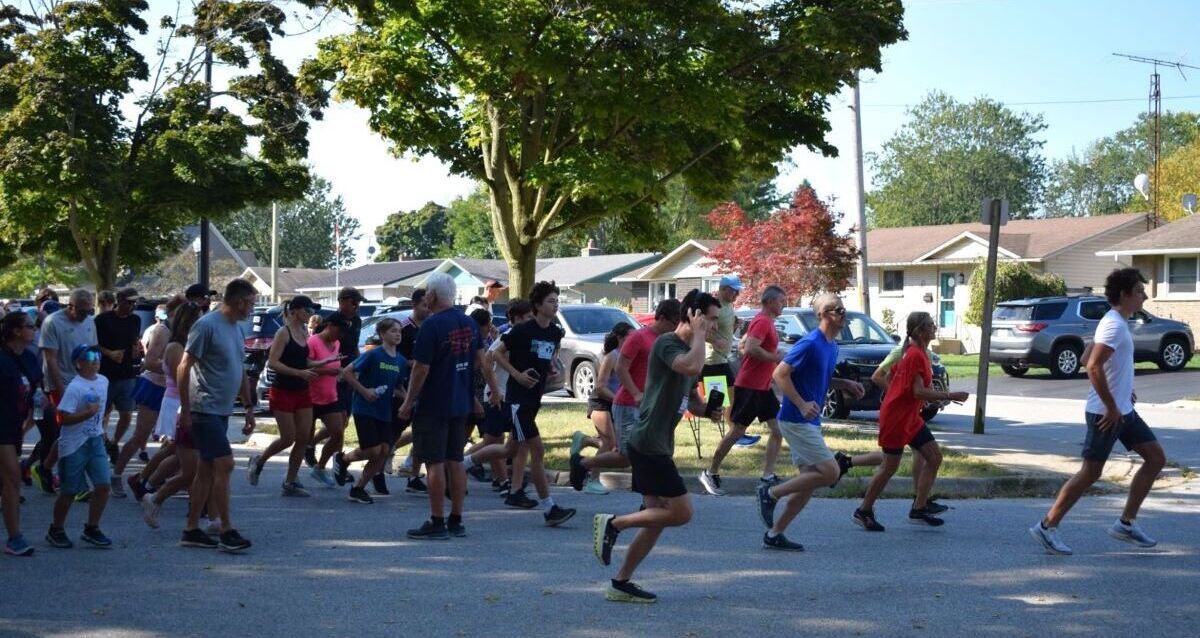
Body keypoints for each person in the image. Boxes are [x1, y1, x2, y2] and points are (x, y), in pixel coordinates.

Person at [592, 289, 722, 604]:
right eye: (711, 319)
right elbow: (688, 367)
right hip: (649, 441)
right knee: (681, 512)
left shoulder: (690, 349)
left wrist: (709, 410)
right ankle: (614, 523)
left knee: (657, 518)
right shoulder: (666, 344)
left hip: (657, 442)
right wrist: (700, 337)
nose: (715, 326)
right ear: (693, 315)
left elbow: (691, 399)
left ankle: (620, 582)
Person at [1030, 268, 1166, 555]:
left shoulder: (1115, 322)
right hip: (1107, 413)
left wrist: (1122, 388)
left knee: (1155, 458)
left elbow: (1084, 357)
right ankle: (1046, 526)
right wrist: (1112, 405)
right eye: (1140, 291)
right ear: (1125, 295)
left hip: (1122, 410)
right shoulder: (1114, 325)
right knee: (1091, 472)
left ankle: (1126, 523)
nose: (1144, 296)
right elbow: (1092, 366)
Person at [756, 293, 865, 551]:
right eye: (837, 310)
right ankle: (770, 493)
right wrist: (802, 403)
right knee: (830, 472)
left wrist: (844, 383)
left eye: (843, 309)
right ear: (822, 315)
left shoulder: (831, 346)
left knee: (809, 481)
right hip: (796, 419)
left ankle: (774, 534)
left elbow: (818, 378)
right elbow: (779, 374)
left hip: (810, 420)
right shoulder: (811, 342)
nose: (843, 314)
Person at [398, 273, 500, 540]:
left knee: (434, 462)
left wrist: (408, 401)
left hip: (434, 403)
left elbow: (420, 369)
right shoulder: (468, 322)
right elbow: (481, 359)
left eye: (427, 292)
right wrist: (485, 388)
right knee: (455, 460)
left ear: (432, 295)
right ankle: (456, 519)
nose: (426, 296)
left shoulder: (431, 326)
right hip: (460, 402)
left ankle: (437, 521)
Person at [854, 312, 968, 531]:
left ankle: (919, 508)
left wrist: (913, 396)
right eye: (931, 325)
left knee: (934, 457)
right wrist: (949, 395)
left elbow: (896, 379)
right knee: (889, 467)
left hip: (910, 417)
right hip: (897, 418)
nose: (935, 328)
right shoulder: (914, 354)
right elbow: (916, 390)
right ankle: (864, 510)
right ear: (920, 331)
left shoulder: (916, 352)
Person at [177, 279, 257, 553]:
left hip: (222, 409)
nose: (253, 308)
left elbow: (239, 369)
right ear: (239, 302)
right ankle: (226, 530)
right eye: (251, 303)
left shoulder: (236, 328)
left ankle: (191, 530)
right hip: (203, 407)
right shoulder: (207, 325)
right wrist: (186, 409)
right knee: (225, 464)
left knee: (207, 470)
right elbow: (184, 366)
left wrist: (248, 406)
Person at [570, 301, 681, 490]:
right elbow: (621, 367)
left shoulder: (665, 340)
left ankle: (647, 496)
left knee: (647, 452)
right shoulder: (639, 337)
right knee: (625, 457)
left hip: (648, 406)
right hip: (628, 404)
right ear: (662, 318)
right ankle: (582, 463)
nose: (676, 326)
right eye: (674, 322)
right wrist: (635, 393)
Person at [490, 281, 576, 525]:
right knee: (536, 450)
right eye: (550, 301)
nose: (555, 305)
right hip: (517, 399)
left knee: (510, 450)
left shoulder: (555, 332)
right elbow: (495, 354)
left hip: (534, 398)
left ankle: (461, 464)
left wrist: (550, 366)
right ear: (537, 305)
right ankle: (550, 508)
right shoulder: (523, 330)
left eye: (557, 301)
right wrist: (517, 375)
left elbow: (551, 352)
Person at [701, 285, 787, 495]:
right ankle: (710, 472)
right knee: (737, 431)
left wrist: (770, 361)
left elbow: (742, 346)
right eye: (781, 301)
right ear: (769, 302)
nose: (783, 305)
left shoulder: (764, 321)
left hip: (763, 387)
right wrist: (775, 357)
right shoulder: (763, 321)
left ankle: (767, 476)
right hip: (750, 386)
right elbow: (749, 348)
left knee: (778, 430)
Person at [248, 296, 336, 497]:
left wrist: (322, 362)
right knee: (288, 437)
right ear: (295, 310)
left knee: (303, 438)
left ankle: (290, 481)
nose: (310, 314)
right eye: (307, 310)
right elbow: (273, 362)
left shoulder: (304, 331)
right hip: (283, 390)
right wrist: (298, 373)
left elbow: (303, 360)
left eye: (312, 311)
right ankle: (259, 461)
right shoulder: (283, 332)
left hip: (302, 390)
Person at [140, 303, 208, 530]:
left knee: (181, 457)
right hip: (178, 403)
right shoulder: (177, 347)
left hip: (188, 403)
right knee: (185, 462)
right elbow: (185, 378)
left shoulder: (189, 344)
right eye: (197, 319)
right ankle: (151, 490)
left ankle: (149, 486)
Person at [461, 301, 533, 493]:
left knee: (502, 442)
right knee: (495, 442)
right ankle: (460, 465)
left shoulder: (523, 336)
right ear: (517, 318)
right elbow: (487, 360)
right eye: (528, 317)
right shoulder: (508, 336)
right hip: (497, 395)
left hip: (509, 396)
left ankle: (502, 481)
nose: (531, 320)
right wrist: (494, 390)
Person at [31, 289, 97, 495]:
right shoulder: (53, 322)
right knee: (69, 432)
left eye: (90, 311)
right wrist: (61, 390)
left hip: (83, 381)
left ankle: (44, 468)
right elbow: (50, 359)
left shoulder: (89, 321)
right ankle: (75, 483)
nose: (86, 315)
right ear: (71, 306)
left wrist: (94, 380)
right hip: (60, 384)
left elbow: (92, 351)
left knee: (75, 432)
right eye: (83, 311)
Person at [45, 345, 113, 549]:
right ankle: (56, 529)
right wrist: (87, 414)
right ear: (78, 363)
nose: (95, 359)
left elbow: (103, 409)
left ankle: (92, 528)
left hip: (95, 440)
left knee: (103, 485)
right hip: (74, 445)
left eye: (97, 355)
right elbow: (62, 418)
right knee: (69, 491)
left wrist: (102, 428)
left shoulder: (103, 381)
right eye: (89, 356)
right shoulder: (75, 387)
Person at [335, 318, 407, 504]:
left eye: (399, 331)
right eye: (393, 331)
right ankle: (343, 459)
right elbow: (347, 372)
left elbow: (398, 387)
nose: (397, 334)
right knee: (373, 450)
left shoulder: (400, 361)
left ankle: (358, 488)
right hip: (364, 408)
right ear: (382, 334)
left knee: (383, 451)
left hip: (384, 411)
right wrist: (364, 391)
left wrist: (408, 401)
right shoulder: (374, 355)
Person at [114, 298, 177, 500]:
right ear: (173, 313)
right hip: (154, 387)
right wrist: (177, 369)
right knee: (140, 437)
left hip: (173, 390)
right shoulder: (162, 331)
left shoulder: (183, 332)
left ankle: (149, 478)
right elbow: (149, 362)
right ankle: (116, 475)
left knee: (174, 441)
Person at [568, 322, 634, 495]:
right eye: (630, 336)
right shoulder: (612, 356)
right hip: (601, 402)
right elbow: (600, 387)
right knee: (609, 443)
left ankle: (584, 440)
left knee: (614, 444)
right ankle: (593, 480)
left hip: (616, 404)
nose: (634, 340)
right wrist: (618, 399)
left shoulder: (629, 357)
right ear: (620, 338)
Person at [306, 287, 363, 470]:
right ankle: (335, 462)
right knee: (336, 421)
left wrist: (358, 365)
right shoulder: (330, 322)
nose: (357, 306)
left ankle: (314, 445)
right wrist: (328, 369)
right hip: (329, 378)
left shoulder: (357, 321)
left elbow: (354, 347)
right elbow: (315, 349)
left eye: (358, 303)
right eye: (354, 302)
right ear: (342, 301)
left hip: (347, 374)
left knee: (343, 423)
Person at [95, 287, 143, 492]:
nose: (132, 306)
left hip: (127, 374)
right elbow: (93, 344)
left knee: (126, 415)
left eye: (135, 303)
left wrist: (136, 349)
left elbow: (134, 340)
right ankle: (101, 444)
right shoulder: (103, 319)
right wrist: (109, 353)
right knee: (103, 414)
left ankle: (113, 442)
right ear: (120, 301)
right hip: (105, 373)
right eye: (129, 302)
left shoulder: (135, 320)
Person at [1, 311, 40, 555]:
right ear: (16, 331)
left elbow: (35, 387)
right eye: (30, 326)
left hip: (15, 425)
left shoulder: (29, 357)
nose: (34, 330)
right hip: (1, 426)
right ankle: (14, 538)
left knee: (7, 480)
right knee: (12, 479)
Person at [307, 315, 348, 488]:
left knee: (337, 433)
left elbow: (334, 365)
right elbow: (306, 365)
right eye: (339, 331)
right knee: (303, 439)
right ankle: (291, 477)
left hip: (330, 396)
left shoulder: (336, 343)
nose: (340, 336)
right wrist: (327, 371)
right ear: (329, 325)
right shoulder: (313, 342)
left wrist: (340, 373)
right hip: (310, 397)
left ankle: (320, 467)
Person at [701, 275, 741, 422]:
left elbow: (725, 330)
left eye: (738, 291)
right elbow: (699, 329)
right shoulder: (714, 306)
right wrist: (715, 340)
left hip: (723, 357)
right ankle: (729, 427)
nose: (737, 295)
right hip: (712, 359)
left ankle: (730, 427)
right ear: (723, 289)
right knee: (721, 398)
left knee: (728, 395)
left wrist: (735, 326)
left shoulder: (729, 305)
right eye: (734, 291)